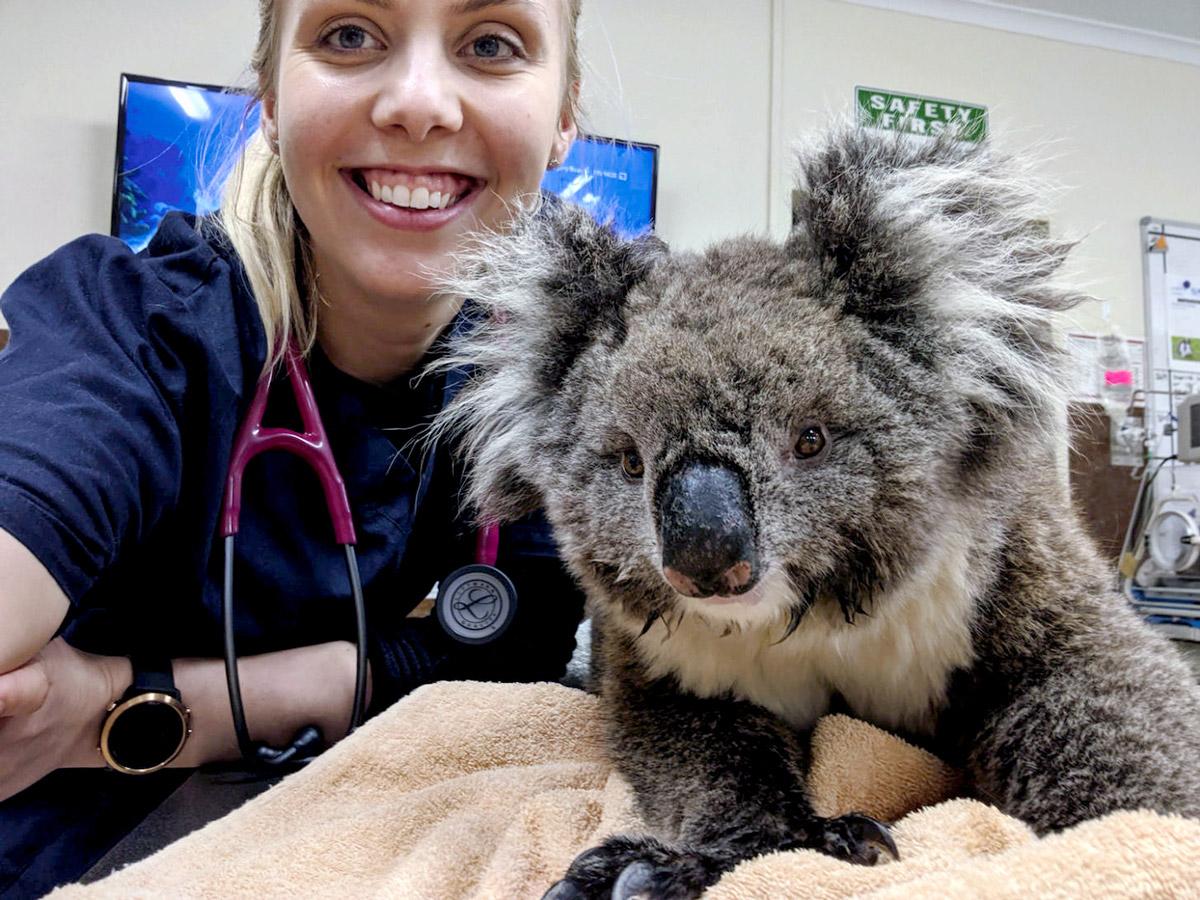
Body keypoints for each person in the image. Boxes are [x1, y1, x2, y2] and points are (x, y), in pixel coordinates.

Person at [0, 0, 587, 895]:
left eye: (492, 44)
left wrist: (117, 703)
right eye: (350, 34)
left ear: (563, 121)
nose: (419, 103)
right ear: (270, 100)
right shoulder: (130, 326)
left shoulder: (539, 390)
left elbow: (515, 647)